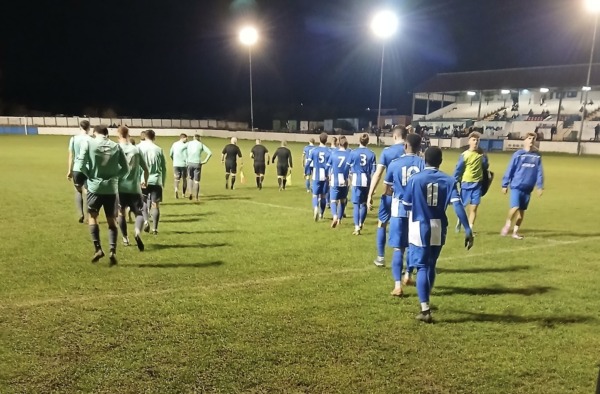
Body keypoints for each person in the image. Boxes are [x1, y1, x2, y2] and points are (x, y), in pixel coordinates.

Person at [402, 147, 474, 323]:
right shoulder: (449, 181)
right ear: (440, 161)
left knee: (422, 267)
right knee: (431, 264)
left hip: (420, 225)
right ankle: (427, 295)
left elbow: (405, 205)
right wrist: (467, 228)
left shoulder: (415, 179)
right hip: (438, 226)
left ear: (424, 159)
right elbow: (458, 206)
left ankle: (425, 309)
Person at [75, 125, 128, 265]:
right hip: (111, 189)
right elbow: (125, 169)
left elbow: (79, 166)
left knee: (93, 217)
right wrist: (115, 178)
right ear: (107, 134)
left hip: (94, 188)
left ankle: (98, 248)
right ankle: (112, 250)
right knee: (112, 220)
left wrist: (89, 176)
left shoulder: (89, 143)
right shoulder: (116, 146)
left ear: (94, 133)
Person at [384, 134, 425, 296]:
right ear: (420, 146)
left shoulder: (395, 164)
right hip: (417, 211)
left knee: (398, 249)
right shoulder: (423, 164)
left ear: (405, 145)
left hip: (398, 209)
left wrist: (394, 190)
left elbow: (386, 190)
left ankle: (397, 286)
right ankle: (408, 275)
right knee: (413, 246)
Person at [366, 125, 408, 267]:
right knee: (407, 227)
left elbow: (377, 174)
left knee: (382, 223)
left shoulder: (387, 152)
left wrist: (370, 194)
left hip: (390, 194)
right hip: (408, 196)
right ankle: (406, 262)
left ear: (394, 136)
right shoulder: (412, 151)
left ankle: (381, 257)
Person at [500, 132, 544, 240]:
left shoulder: (537, 156)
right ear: (525, 140)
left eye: (533, 138)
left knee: (521, 213)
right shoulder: (518, 154)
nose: (531, 140)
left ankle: (515, 232)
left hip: (528, 188)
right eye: (529, 138)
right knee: (515, 207)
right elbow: (510, 169)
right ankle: (507, 224)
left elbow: (539, 172)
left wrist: (540, 186)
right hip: (516, 186)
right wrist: (505, 184)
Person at [116, 126, 149, 251]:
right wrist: (144, 180)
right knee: (139, 213)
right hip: (134, 188)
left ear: (118, 135)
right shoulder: (136, 150)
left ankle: (125, 238)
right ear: (128, 134)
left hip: (119, 187)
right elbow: (146, 169)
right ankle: (136, 232)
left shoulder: (116, 149)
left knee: (121, 213)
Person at [453, 132, 489, 233]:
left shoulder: (481, 155)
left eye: (477, 140)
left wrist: (485, 160)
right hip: (466, 183)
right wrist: (454, 181)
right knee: (463, 206)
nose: (476, 142)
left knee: (474, 208)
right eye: (473, 140)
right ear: (469, 141)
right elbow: (458, 169)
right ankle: (459, 221)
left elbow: (485, 166)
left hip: (477, 184)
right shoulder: (464, 155)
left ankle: (469, 229)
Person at [138, 129, 167, 235]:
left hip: (143, 180)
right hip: (156, 180)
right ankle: (155, 229)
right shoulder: (159, 149)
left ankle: (146, 221)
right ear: (154, 137)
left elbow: (136, 166)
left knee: (144, 202)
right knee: (155, 205)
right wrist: (162, 181)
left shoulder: (139, 148)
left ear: (145, 137)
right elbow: (163, 167)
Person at [348, 133, 377, 235]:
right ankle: (361, 223)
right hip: (367, 180)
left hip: (356, 179)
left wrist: (349, 180)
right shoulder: (372, 154)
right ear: (368, 142)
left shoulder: (353, 153)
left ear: (359, 141)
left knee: (356, 205)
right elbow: (374, 171)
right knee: (364, 204)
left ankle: (356, 227)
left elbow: (349, 168)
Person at [67, 120, 93, 223]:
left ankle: (80, 214)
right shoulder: (91, 140)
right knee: (87, 192)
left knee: (78, 190)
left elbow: (71, 156)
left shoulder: (73, 139)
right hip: (87, 169)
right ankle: (88, 216)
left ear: (80, 127)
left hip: (77, 168)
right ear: (89, 128)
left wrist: (69, 170)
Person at [304, 132, 331, 221]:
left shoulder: (314, 150)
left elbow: (307, 163)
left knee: (315, 195)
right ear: (326, 140)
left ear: (319, 139)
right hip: (325, 176)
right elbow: (331, 165)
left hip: (316, 175)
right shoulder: (329, 151)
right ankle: (321, 214)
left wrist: (305, 172)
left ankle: (315, 207)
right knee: (323, 196)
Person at [326, 136, 351, 228]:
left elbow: (328, 166)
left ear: (338, 144)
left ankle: (335, 216)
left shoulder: (334, 153)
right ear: (347, 144)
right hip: (345, 180)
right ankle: (340, 219)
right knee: (343, 200)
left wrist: (327, 176)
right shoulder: (350, 154)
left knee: (333, 200)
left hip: (335, 179)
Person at [186, 134, 212, 201]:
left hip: (189, 162)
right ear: (199, 138)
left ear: (194, 138)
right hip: (197, 163)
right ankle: (196, 197)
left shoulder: (189, 143)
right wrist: (205, 161)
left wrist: (186, 159)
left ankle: (190, 193)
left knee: (190, 178)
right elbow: (209, 153)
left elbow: (183, 150)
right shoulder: (201, 144)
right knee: (197, 181)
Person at [170, 134, 188, 198]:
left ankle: (176, 190)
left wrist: (174, 160)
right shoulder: (186, 145)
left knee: (176, 179)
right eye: (186, 138)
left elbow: (170, 154)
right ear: (183, 138)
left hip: (176, 164)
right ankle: (183, 194)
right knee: (184, 179)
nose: (187, 139)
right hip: (184, 164)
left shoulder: (174, 144)